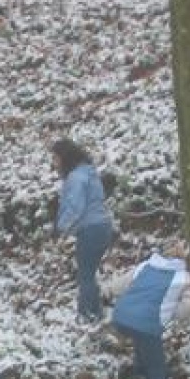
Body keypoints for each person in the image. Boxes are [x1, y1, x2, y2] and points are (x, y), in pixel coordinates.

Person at [110, 245, 190, 379]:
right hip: (147, 323)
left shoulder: (146, 265)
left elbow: (116, 287)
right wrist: (169, 311)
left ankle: (140, 374)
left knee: (141, 337)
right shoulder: (183, 278)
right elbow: (188, 310)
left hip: (120, 315)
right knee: (159, 375)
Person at [51, 138, 115, 323]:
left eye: (56, 158)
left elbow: (75, 207)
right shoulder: (88, 172)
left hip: (91, 229)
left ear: (65, 157)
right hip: (102, 226)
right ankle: (94, 313)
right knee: (88, 273)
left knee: (85, 274)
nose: (54, 163)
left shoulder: (76, 178)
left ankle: (88, 315)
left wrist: (60, 227)